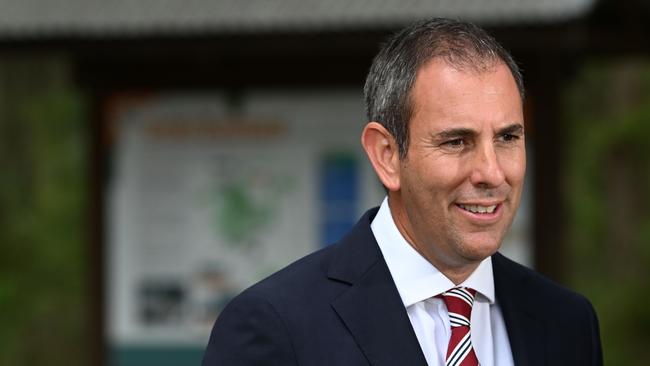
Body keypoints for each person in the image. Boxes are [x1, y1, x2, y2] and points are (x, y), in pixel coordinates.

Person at [202, 18, 603, 366]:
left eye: (507, 137)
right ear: (387, 156)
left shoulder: (566, 322)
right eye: (457, 141)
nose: (491, 172)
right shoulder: (276, 326)